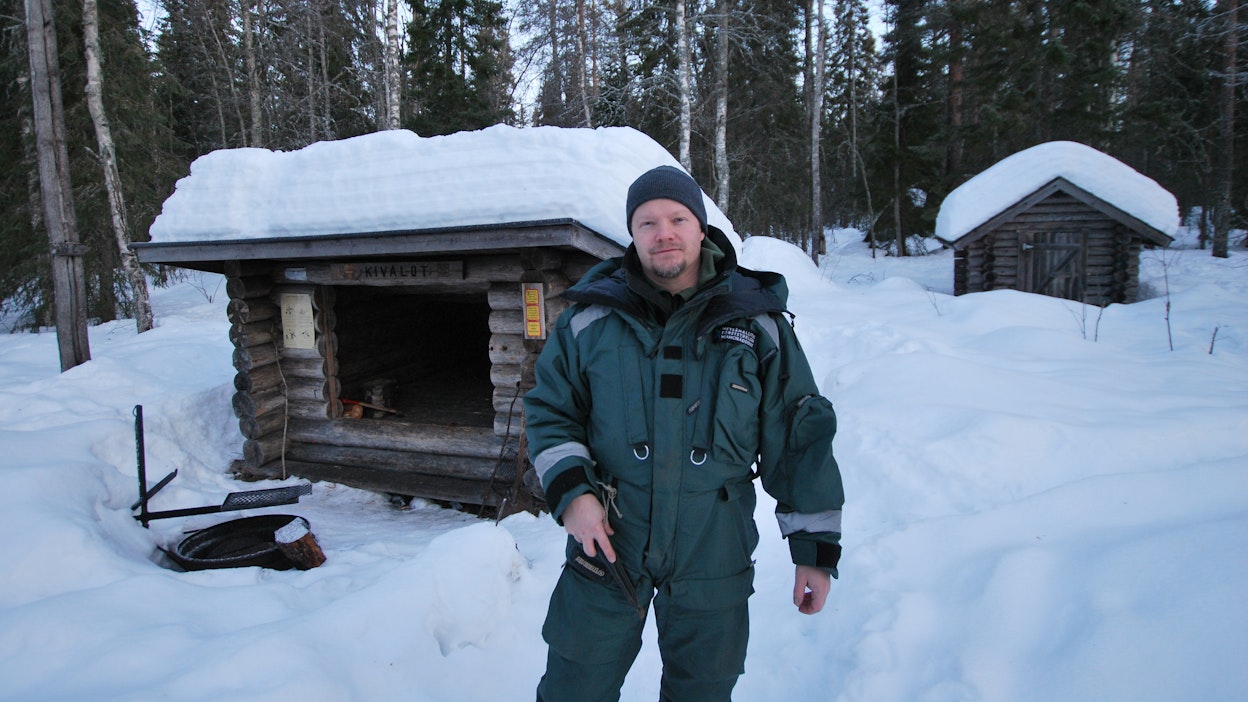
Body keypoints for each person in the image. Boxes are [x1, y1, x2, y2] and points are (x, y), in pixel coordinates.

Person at [524, 165, 844, 702]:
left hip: (712, 544)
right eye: (647, 222)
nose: (663, 232)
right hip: (609, 537)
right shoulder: (588, 319)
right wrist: (575, 495)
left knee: (703, 690)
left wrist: (814, 547)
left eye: (677, 218)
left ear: (701, 228)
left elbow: (797, 435)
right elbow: (551, 411)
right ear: (632, 234)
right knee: (574, 684)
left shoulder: (756, 322)